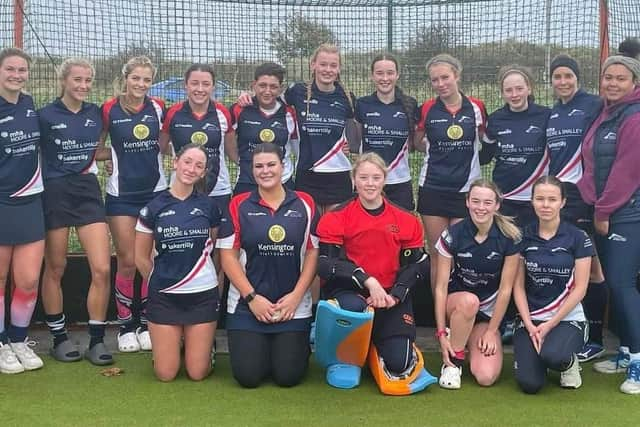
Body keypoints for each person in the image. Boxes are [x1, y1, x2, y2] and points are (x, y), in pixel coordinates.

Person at [316, 152, 430, 380]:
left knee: (399, 364)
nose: (370, 184)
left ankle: (375, 346)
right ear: (354, 180)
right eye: (364, 178)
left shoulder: (406, 219)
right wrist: (368, 281)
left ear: (384, 180)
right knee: (352, 307)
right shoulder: (336, 217)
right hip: (352, 294)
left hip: (390, 297)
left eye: (376, 178)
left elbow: (418, 264)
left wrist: (396, 295)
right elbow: (325, 264)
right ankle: (350, 354)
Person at [218, 142, 319, 388]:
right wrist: (252, 298)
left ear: (283, 167)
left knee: (288, 377)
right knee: (248, 377)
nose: (265, 171)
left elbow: (313, 253)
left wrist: (296, 297)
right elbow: (228, 257)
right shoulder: (238, 204)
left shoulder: (305, 203)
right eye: (259, 166)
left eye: (271, 165)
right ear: (252, 171)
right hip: (247, 306)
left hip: (292, 307)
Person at [38, 58, 112, 365]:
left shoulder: (96, 113)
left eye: (87, 81)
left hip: (86, 190)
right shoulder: (43, 115)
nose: (82, 86)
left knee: (102, 268)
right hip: (54, 192)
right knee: (55, 267)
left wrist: (114, 155)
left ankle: (96, 339)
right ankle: (58, 337)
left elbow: (100, 147)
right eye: (77, 80)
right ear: (63, 81)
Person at [577, 38, 640, 394]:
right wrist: (590, 197)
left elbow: (627, 172)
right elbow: (592, 161)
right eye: (607, 78)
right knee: (616, 285)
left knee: (622, 284)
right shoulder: (607, 112)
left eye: (620, 78)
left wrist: (602, 210)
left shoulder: (634, 117)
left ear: (633, 83)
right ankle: (627, 351)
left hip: (626, 214)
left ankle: (639, 361)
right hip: (604, 210)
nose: (612, 83)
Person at [135, 144, 221, 381]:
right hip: (164, 297)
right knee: (166, 374)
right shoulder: (153, 207)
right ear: (175, 162)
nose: (191, 169)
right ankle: (171, 346)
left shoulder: (209, 207)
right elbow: (140, 257)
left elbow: (212, 249)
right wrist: (160, 282)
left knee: (197, 373)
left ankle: (205, 348)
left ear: (203, 173)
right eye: (187, 161)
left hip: (202, 295)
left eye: (199, 165)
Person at [101, 56, 168, 353]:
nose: (141, 84)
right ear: (125, 78)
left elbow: (166, 144)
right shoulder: (108, 109)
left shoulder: (158, 107)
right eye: (136, 78)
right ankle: (126, 325)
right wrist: (111, 160)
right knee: (128, 261)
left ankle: (146, 322)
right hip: (122, 196)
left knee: (149, 261)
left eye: (146, 80)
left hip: (155, 193)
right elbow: (96, 147)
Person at [546, 54, 607, 362]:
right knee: (568, 264)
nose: (563, 82)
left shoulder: (594, 104)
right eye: (557, 77)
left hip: (584, 195)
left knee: (593, 269)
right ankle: (570, 331)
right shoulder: (554, 113)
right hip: (559, 197)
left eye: (568, 76)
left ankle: (595, 339)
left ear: (577, 78)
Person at [433, 179, 521, 389]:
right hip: (458, 304)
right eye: (476, 201)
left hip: (487, 315)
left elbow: (506, 289)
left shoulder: (510, 237)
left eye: (487, 202)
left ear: (497, 205)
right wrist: (441, 334)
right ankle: (453, 363)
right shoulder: (453, 235)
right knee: (469, 301)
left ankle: (467, 339)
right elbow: (440, 287)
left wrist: (491, 331)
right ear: (467, 202)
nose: (481, 208)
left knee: (486, 377)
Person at [414, 54, 489, 291]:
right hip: (433, 189)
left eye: (445, 77)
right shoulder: (427, 108)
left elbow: (483, 140)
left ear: (457, 75)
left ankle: (460, 310)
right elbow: (417, 142)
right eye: (435, 80)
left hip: (466, 191)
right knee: (438, 254)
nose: (440, 84)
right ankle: (440, 320)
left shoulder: (477, 107)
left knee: (462, 253)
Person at [513, 176, 592, 394]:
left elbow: (581, 288)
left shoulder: (578, 237)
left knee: (554, 356)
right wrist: (529, 324)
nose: (545, 205)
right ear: (532, 201)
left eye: (552, 199)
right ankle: (536, 360)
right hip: (531, 319)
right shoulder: (522, 236)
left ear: (562, 202)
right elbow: (517, 287)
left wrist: (549, 325)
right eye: (540, 199)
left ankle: (568, 363)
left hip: (566, 319)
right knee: (530, 384)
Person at [0, 47, 45, 374]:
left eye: (21, 70)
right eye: (10, 69)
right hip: (1, 202)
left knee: (27, 281)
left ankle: (18, 340)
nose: (16, 75)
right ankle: (1, 344)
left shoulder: (29, 105)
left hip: (30, 202)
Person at [161, 63, 235, 216]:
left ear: (213, 87)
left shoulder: (223, 113)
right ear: (185, 85)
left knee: (219, 239)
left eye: (206, 84)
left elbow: (232, 152)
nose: (200, 89)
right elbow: (159, 148)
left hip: (218, 190)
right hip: (180, 190)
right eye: (194, 83)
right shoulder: (172, 113)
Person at [483, 65, 550, 228]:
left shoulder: (547, 116)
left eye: (519, 88)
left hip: (537, 199)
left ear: (529, 88)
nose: (514, 95)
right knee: (507, 250)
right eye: (508, 90)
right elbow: (484, 157)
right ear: (502, 93)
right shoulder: (494, 120)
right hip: (505, 198)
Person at [353, 53, 417, 211]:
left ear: (397, 75)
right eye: (379, 73)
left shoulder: (410, 104)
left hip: (400, 182)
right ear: (372, 76)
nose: (385, 78)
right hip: (370, 183)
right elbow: (357, 140)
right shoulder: (362, 104)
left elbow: (414, 141)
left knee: (401, 232)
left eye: (390, 73)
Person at [229, 62, 298, 195]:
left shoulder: (290, 113)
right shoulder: (239, 109)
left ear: (280, 88)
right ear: (253, 85)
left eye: (273, 87)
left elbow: (298, 146)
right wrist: (241, 162)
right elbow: (226, 139)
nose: (267, 91)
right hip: (247, 182)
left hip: (282, 183)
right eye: (262, 85)